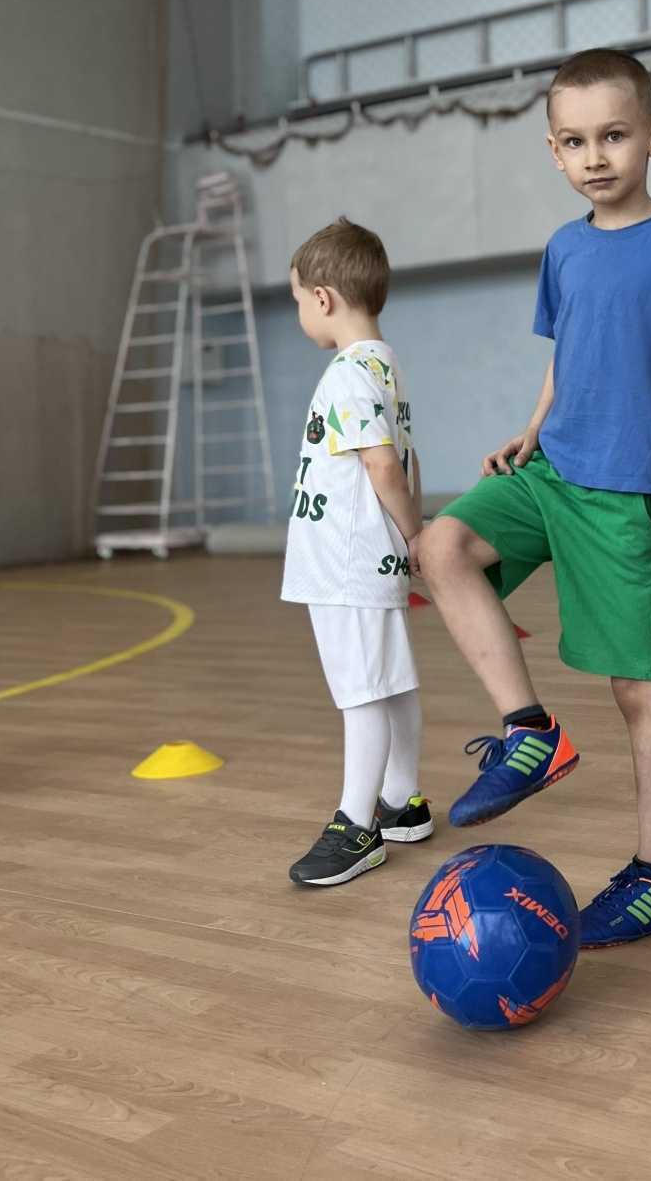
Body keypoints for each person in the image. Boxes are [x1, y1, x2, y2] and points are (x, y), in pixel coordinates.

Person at [418, 49, 651, 949]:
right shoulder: (563, 249)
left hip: (632, 496)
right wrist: (532, 426)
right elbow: (568, 353)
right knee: (439, 545)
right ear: (554, 153)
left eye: (613, 135)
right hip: (553, 470)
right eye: (575, 141)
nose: (595, 155)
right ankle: (531, 731)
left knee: (638, 690)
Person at [282, 217, 434, 886]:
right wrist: (411, 533)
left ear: (323, 297)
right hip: (371, 557)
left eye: (295, 299)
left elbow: (382, 465)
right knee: (389, 678)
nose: (299, 313)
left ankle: (357, 823)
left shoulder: (348, 372)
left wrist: (414, 531)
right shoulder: (385, 361)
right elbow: (408, 456)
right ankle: (402, 801)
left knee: (362, 690)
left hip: (348, 560)